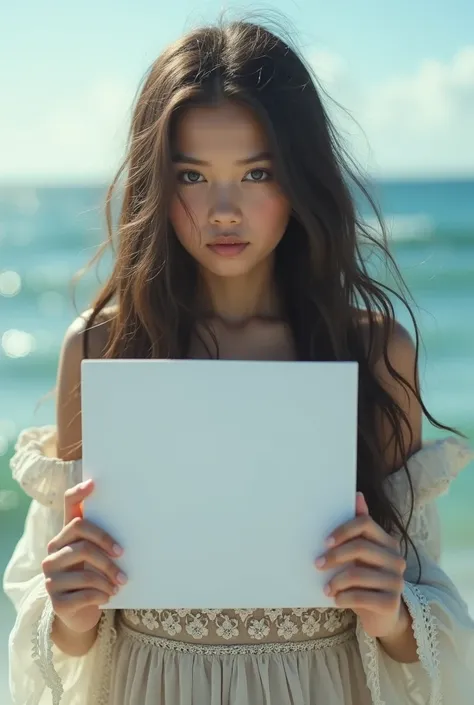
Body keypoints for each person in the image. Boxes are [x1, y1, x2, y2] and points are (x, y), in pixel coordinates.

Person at [3, 16, 474, 705]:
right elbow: (63, 636)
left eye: (257, 172)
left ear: (301, 177)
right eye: (193, 175)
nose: (224, 210)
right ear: (157, 185)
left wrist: (390, 607)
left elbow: (427, 633)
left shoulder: (373, 353)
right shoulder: (103, 350)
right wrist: (71, 609)